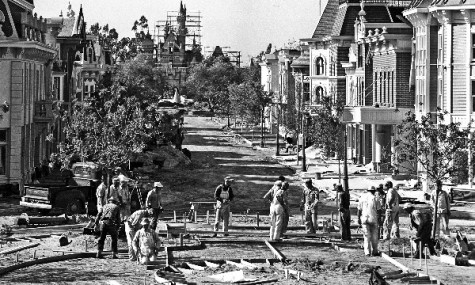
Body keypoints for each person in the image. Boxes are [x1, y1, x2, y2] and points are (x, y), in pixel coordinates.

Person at [358, 186, 381, 256]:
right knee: (374, 236)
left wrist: (358, 219)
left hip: (364, 218)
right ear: (374, 191)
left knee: (366, 236)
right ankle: (375, 251)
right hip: (373, 218)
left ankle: (367, 252)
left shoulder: (362, 198)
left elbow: (359, 210)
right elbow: (379, 210)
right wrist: (380, 219)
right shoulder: (375, 198)